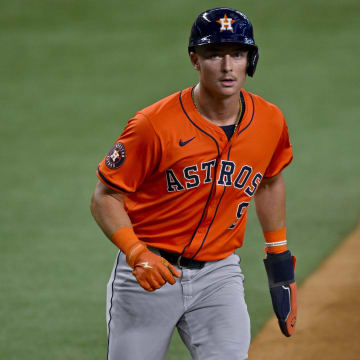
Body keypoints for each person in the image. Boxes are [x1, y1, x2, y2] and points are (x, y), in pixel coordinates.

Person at [90, 7, 297, 360]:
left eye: (238, 53)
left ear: (251, 59)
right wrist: (136, 253)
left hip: (219, 276)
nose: (228, 66)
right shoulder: (152, 125)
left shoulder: (270, 120)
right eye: (214, 54)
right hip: (149, 275)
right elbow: (105, 197)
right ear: (195, 60)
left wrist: (279, 257)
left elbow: (269, 183)